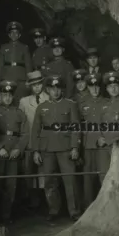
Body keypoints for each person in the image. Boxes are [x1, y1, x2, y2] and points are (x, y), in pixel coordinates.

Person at [30, 74, 81, 221]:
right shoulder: (42, 107)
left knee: (70, 181)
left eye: (58, 88)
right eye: (52, 89)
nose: (56, 91)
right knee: (49, 182)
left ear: (62, 90)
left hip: (66, 147)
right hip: (47, 149)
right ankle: (53, 210)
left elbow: (76, 128)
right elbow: (35, 130)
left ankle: (74, 212)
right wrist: (36, 150)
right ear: (47, 90)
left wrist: (74, 147)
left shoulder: (70, 105)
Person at [0, 80, 29, 224]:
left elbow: (25, 133)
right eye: (4, 95)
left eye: (10, 95)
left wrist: (18, 149)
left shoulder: (19, 113)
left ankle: (7, 216)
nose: (7, 98)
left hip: (14, 151)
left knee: (11, 185)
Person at [18, 71, 50, 210]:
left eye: (39, 84)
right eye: (34, 85)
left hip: (46, 143)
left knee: (46, 173)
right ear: (30, 86)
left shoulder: (49, 98)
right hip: (30, 142)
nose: (37, 87)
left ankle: (47, 203)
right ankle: (33, 202)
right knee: (29, 173)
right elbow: (21, 122)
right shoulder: (24, 102)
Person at [80, 73, 109, 207]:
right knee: (88, 179)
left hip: (102, 146)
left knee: (103, 177)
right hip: (87, 146)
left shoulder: (107, 103)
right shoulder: (83, 104)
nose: (95, 90)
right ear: (88, 87)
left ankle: (105, 207)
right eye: (92, 87)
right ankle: (88, 208)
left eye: (97, 86)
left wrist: (104, 137)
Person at [0, 21, 33, 105]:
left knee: (21, 103)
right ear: (9, 35)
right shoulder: (3, 47)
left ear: (19, 35)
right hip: (7, 79)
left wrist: (28, 81)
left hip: (21, 81)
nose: (14, 35)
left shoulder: (24, 47)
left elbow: (28, 65)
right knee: (7, 103)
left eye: (16, 33)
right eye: (12, 33)